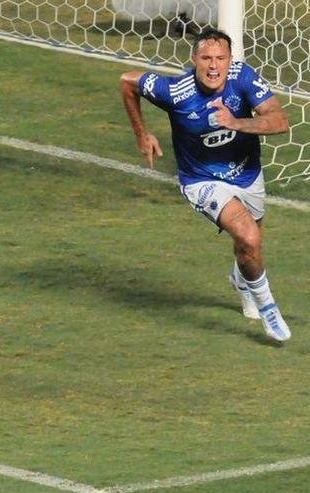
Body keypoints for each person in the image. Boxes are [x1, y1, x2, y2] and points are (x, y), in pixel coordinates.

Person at [119, 28, 292, 343]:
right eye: (206, 58)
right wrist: (141, 133)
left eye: (221, 58)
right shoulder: (174, 91)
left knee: (250, 248)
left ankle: (242, 282)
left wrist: (236, 122)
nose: (214, 66)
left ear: (230, 61)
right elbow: (128, 81)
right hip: (202, 180)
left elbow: (280, 120)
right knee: (248, 236)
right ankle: (268, 307)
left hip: (247, 174)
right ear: (194, 60)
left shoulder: (243, 78)